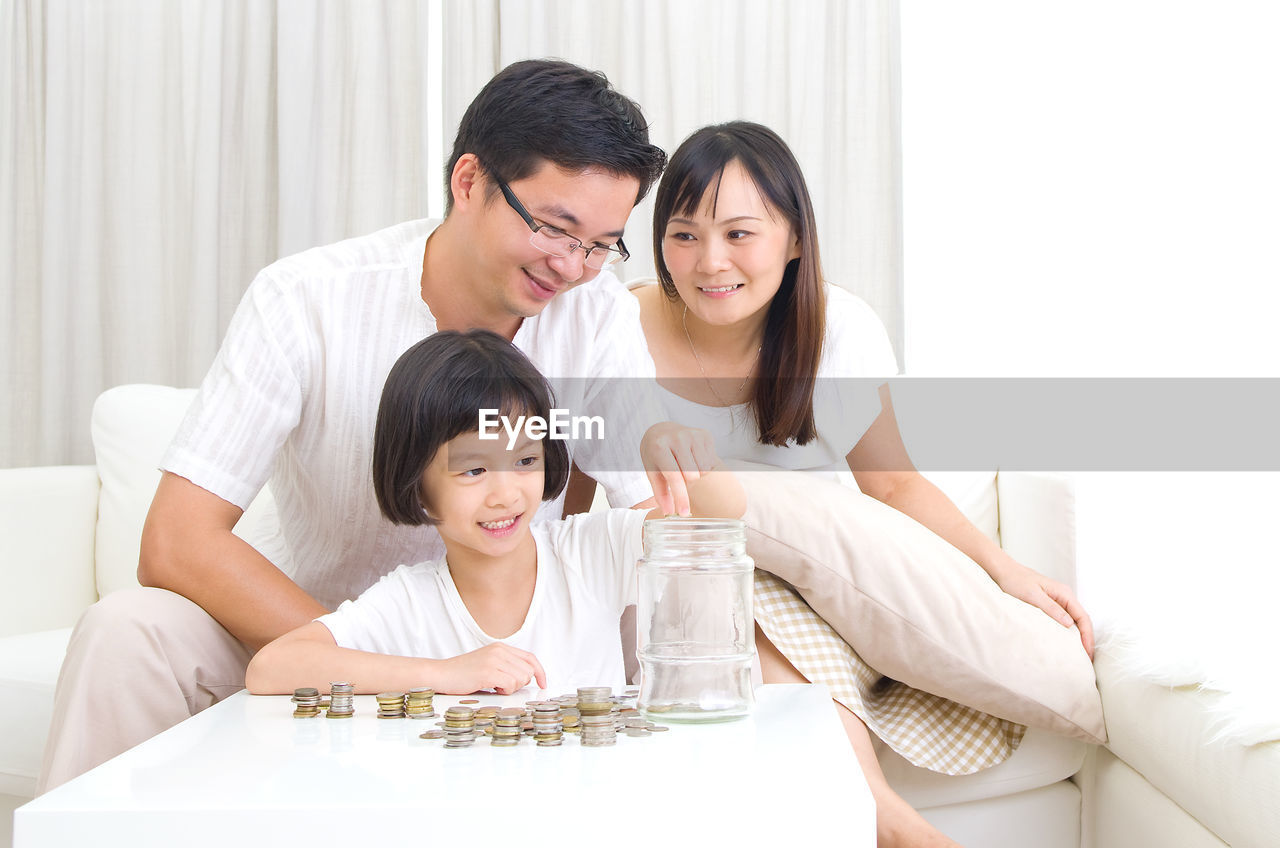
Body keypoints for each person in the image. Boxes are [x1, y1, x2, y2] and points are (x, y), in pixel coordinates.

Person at [37, 59, 672, 792]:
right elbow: (177, 541)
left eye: (601, 245)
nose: (573, 266)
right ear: (469, 182)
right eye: (555, 228)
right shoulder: (307, 300)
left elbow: (659, 523)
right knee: (126, 633)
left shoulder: (598, 317)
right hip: (305, 629)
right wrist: (383, 664)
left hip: (503, 660)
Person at [631, 121, 1096, 848]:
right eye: (683, 235)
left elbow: (894, 487)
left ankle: (879, 820)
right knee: (727, 586)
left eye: (739, 234)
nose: (709, 261)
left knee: (761, 595)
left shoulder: (837, 327)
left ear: (793, 239)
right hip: (692, 594)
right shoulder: (620, 327)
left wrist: (1003, 568)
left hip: (824, 581)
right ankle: (890, 822)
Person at [246, 330, 745, 696]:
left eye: (525, 460)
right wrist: (444, 675)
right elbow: (273, 667)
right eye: (473, 470)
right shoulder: (409, 601)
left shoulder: (590, 551)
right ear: (418, 487)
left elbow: (723, 521)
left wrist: (675, 442)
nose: (505, 494)